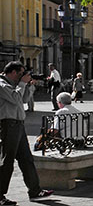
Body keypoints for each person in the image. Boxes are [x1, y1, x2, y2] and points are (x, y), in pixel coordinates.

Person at [0, 61, 54, 203]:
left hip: (18, 125)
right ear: (12, 72)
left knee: (26, 160)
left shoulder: (15, 85)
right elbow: (15, 98)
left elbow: (23, 100)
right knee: (7, 162)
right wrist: (23, 84)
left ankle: (35, 190)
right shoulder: (2, 84)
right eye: (20, 73)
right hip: (7, 125)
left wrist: (29, 86)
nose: (22, 76)